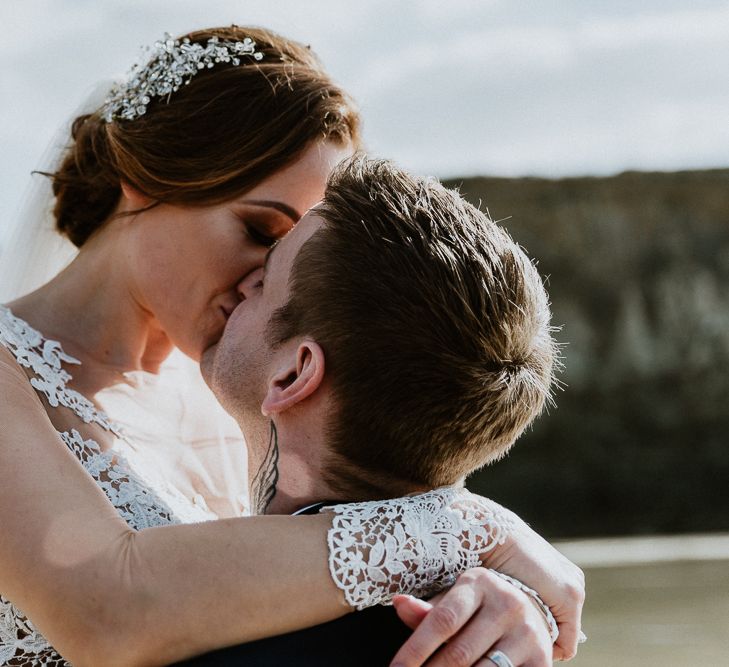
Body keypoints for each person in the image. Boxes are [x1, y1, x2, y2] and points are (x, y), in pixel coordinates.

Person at [0, 26, 584, 667]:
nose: (262, 279)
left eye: (288, 255)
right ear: (143, 178)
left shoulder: (243, 395)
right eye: (257, 229)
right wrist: (467, 529)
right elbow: (104, 611)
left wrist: (489, 601)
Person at [179, 155, 564, 667]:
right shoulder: (477, 621)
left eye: (267, 280)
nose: (243, 282)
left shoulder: (213, 635)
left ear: (293, 375)